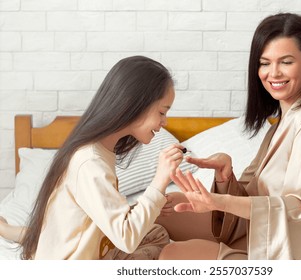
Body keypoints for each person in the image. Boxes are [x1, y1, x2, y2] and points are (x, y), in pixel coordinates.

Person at [157, 12, 301, 260]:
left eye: (286, 62)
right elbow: (256, 197)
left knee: (175, 254)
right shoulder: (285, 121)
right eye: (265, 63)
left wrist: (219, 202)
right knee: (159, 208)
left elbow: (300, 208)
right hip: (271, 233)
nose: (273, 73)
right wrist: (225, 177)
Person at [0, 56, 184, 260]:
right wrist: (159, 182)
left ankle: (13, 232)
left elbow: (95, 211)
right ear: (137, 104)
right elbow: (127, 238)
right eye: (162, 112)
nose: (165, 122)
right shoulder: (90, 162)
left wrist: (149, 206)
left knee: (156, 232)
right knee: (157, 242)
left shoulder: (98, 149)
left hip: (67, 244)